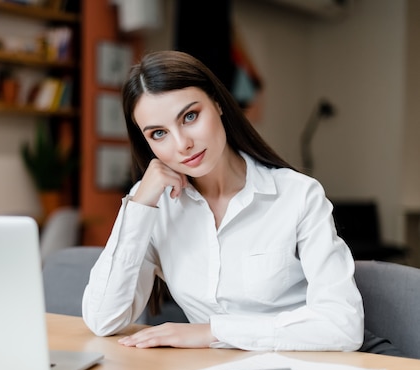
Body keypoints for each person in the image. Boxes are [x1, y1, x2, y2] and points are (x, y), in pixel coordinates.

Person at [81, 50, 366, 352]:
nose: (182, 145)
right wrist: (140, 204)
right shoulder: (156, 205)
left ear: (217, 103)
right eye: (159, 133)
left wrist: (213, 332)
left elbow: (343, 326)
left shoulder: (298, 195)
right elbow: (103, 320)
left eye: (190, 116)